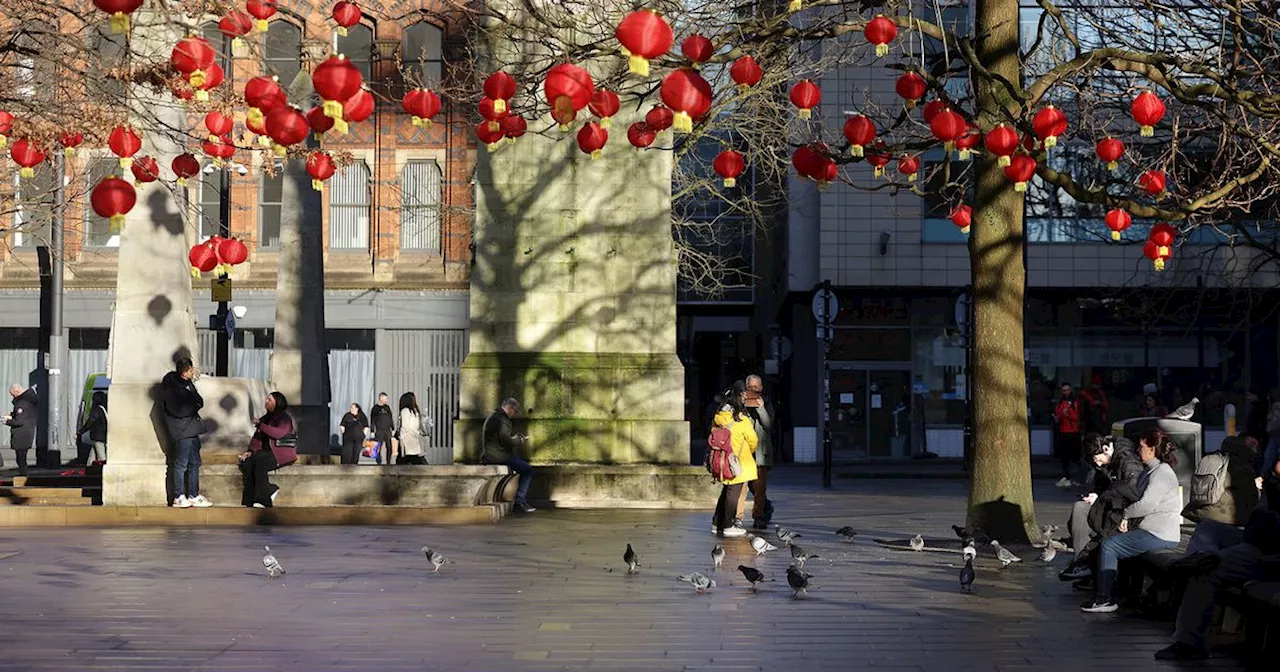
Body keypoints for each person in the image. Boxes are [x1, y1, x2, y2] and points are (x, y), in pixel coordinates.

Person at [1153, 460, 1280, 660]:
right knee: (1209, 528)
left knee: (1211, 566)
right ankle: (1194, 560)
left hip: (1271, 553)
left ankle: (1189, 643)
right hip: (1261, 539)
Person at [1081, 428, 1184, 613]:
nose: (1138, 449)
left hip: (1159, 534)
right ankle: (1119, 592)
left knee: (1110, 546)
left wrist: (1126, 515)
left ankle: (1106, 599)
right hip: (1149, 530)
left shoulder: (1161, 473)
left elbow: (1146, 504)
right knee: (1110, 540)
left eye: (1142, 446)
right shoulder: (1151, 471)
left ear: (1152, 449)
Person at [1061, 434, 1144, 579]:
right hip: (1114, 506)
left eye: (1097, 459)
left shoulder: (1128, 462)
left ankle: (1083, 563)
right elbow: (1107, 488)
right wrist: (1097, 496)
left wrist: (1101, 499)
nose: (1098, 464)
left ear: (1106, 449)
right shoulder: (1110, 460)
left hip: (1126, 513)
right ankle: (1082, 562)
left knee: (1082, 513)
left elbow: (1132, 494)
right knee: (1080, 509)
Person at [710, 381, 758, 538]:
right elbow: (753, 440)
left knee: (726, 491)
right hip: (738, 463)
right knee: (733, 494)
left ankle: (717, 522)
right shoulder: (742, 420)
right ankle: (729, 525)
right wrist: (747, 452)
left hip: (722, 461)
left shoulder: (718, 417)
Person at [161, 358, 211, 508]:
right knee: (181, 464)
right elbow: (178, 410)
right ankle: (178, 496)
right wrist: (193, 406)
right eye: (190, 370)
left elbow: (199, 401)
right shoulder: (172, 389)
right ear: (184, 372)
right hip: (182, 430)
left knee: (194, 462)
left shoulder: (188, 384)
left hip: (191, 427)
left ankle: (193, 494)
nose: (193, 372)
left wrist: (194, 404)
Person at [1182, 434, 1259, 527]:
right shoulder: (1242, 467)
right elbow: (1251, 498)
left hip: (1200, 514)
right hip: (1225, 519)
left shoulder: (1214, 460)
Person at [239, 391, 294, 508]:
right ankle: (262, 493)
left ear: (278, 402)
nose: (266, 401)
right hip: (265, 452)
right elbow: (256, 439)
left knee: (260, 462)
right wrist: (250, 451)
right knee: (247, 463)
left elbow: (278, 434)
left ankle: (263, 501)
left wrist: (261, 425)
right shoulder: (265, 418)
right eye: (267, 399)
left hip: (279, 453)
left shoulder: (284, 418)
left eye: (270, 400)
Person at [481, 398, 535, 512]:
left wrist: (514, 438)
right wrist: (519, 440)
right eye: (515, 411)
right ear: (510, 408)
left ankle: (521, 501)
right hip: (497, 456)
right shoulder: (502, 420)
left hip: (491, 454)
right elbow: (506, 441)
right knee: (527, 470)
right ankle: (519, 502)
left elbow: (501, 438)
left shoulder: (494, 417)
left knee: (519, 463)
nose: (515, 414)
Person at [744, 374, 775, 530]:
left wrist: (761, 408)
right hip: (745, 452)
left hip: (760, 453)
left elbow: (769, 425)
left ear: (761, 388)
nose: (753, 390)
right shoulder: (741, 403)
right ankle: (764, 507)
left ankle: (759, 516)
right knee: (746, 486)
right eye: (750, 387)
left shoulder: (766, 403)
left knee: (759, 488)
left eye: (756, 387)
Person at [3, 383, 37, 477]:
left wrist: (7, 421)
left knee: (21, 459)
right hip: (27, 432)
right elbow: (23, 417)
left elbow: (19, 421)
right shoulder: (29, 400)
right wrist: (12, 414)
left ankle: (23, 477)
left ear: (17, 391)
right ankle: (23, 476)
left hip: (21, 435)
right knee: (21, 458)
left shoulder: (22, 403)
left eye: (13, 394)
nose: (12, 397)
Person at [1053, 382, 1082, 487]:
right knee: (1064, 457)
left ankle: (1079, 478)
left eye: (1067, 390)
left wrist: (1067, 415)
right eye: (1064, 390)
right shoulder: (1061, 403)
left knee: (1076, 456)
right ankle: (1066, 477)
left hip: (1073, 432)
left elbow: (1077, 418)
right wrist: (1058, 418)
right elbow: (1059, 415)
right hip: (1063, 431)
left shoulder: (1075, 403)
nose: (1066, 392)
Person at [396, 392, 429, 465]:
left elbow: (405, 426)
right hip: (415, 438)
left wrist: (401, 437)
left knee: (403, 460)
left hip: (407, 439)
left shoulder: (405, 411)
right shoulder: (415, 411)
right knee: (415, 458)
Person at [76, 391, 108, 464]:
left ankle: (92, 469)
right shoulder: (102, 410)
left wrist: (80, 432)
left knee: (96, 456)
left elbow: (90, 423)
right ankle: (92, 469)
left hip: (97, 437)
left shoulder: (97, 410)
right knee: (97, 457)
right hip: (100, 437)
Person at [369, 393, 395, 466]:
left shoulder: (387, 407)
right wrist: (372, 431)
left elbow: (390, 418)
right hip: (379, 430)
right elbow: (372, 420)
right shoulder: (375, 408)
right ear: (381, 398)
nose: (386, 400)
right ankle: (379, 462)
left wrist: (392, 428)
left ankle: (388, 462)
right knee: (378, 447)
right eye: (385, 398)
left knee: (389, 447)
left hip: (387, 430)